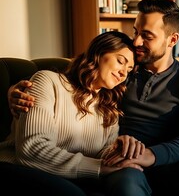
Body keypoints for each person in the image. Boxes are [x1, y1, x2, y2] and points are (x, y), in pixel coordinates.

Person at [8, 0, 179, 196]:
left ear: (172, 39)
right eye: (135, 31)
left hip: (163, 158)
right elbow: (74, 74)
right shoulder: (123, 67)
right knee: (128, 182)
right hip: (120, 157)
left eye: (147, 36)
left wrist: (150, 154)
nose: (137, 42)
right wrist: (14, 90)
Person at [0, 31, 148, 195]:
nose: (123, 73)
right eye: (120, 61)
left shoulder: (108, 107)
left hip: (71, 177)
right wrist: (99, 167)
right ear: (98, 53)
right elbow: (32, 150)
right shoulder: (47, 81)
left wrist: (119, 151)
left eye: (128, 70)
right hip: (18, 168)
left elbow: (101, 152)